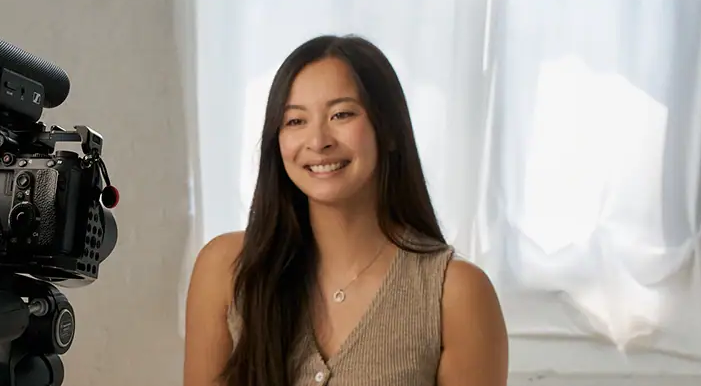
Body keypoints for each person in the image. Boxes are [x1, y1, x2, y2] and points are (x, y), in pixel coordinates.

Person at [183, 35, 508, 386]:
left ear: (390, 131)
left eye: (341, 114)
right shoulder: (225, 270)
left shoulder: (456, 293)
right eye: (295, 121)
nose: (318, 140)